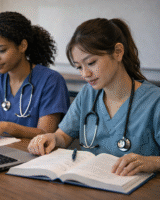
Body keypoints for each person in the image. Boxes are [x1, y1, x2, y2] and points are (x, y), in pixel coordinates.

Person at [28, 18, 160, 176]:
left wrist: (152, 162)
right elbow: (63, 136)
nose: (85, 74)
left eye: (91, 62)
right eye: (79, 67)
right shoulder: (87, 94)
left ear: (118, 52)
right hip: (89, 184)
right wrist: (53, 138)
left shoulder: (154, 101)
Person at [0, 11, 70, 140]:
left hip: (34, 154)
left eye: (1, 50)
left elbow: (46, 133)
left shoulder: (51, 80)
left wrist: (6, 127)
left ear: (22, 46)